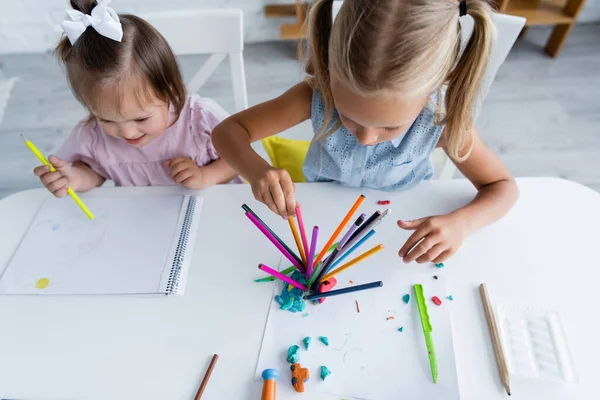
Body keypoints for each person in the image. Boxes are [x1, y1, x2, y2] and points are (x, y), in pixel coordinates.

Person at [213, 0, 518, 264]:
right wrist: (255, 170)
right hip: (321, 220)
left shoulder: (441, 120)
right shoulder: (315, 95)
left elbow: (503, 187)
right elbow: (228, 131)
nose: (365, 138)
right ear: (330, 70)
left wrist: (461, 224)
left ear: (433, 87)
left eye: (390, 127)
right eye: (349, 117)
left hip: (398, 235)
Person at [34, 0, 240, 196]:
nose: (127, 132)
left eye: (141, 119)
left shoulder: (201, 120)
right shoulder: (94, 137)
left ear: (170, 92)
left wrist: (205, 175)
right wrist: (75, 178)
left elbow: (242, 158)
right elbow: (96, 173)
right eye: (106, 119)